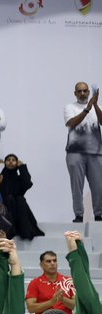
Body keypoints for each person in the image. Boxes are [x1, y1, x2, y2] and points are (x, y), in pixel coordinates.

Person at [64, 82, 102, 223]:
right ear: (75, 93)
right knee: (77, 186)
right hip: (75, 153)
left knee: (99, 186)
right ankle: (79, 215)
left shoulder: (96, 108)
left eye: (85, 91)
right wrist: (87, 109)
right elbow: (71, 123)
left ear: (88, 92)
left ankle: (98, 215)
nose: (82, 93)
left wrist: (95, 105)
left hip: (96, 153)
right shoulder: (70, 107)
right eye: (79, 91)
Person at [0, 154, 44, 241]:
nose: (10, 162)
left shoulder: (19, 179)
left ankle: (23, 229)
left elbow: (27, 183)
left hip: (18, 208)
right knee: (10, 199)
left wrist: (22, 167)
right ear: (5, 163)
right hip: (4, 209)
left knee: (19, 199)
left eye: (13, 160)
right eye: (8, 160)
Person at [26, 250, 76, 314]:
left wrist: (63, 299)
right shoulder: (34, 283)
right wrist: (51, 302)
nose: (53, 263)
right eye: (48, 261)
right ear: (41, 265)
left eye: (54, 260)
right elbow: (31, 308)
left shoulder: (68, 281)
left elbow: (75, 306)